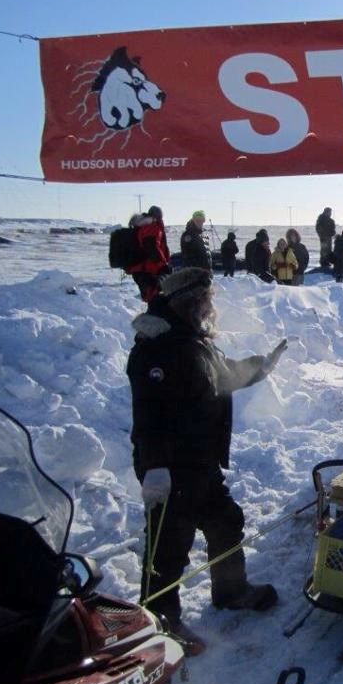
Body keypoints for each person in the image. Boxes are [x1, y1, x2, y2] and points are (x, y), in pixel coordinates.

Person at [126, 268, 285, 652]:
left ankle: (231, 590)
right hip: (170, 466)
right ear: (190, 302)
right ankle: (160, 623)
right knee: (168, 547)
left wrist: (261, 365)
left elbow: (225, 374)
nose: (212, 306)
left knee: (225, 521)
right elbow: (149, 415)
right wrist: (156, 467)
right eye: (207, 300)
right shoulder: (157, 348)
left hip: (199, 460)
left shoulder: (192, 339)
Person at [126, 205, 171, 302]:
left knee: (153, 296)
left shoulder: (144, 226)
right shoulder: (151, 227)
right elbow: (152, 247)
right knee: (154, 296)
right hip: (148, 268)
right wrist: (162, 265)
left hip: (142, 268)